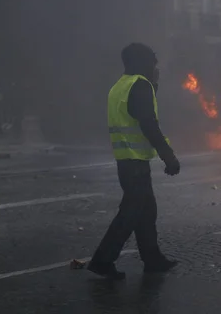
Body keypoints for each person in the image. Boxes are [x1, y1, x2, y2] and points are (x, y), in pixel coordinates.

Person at [87, 43, 181, 280]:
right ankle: (102, 260)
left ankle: (152, 259)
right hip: (135, 162)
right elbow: (148, 123)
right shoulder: (140, 85)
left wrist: (154, 85)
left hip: (126, 160)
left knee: (146, 211)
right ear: (141, 62)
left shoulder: (121, 86)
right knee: (130, 213)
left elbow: (136, 112)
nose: (154, 67)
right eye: (152, 62)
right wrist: (168, 156)